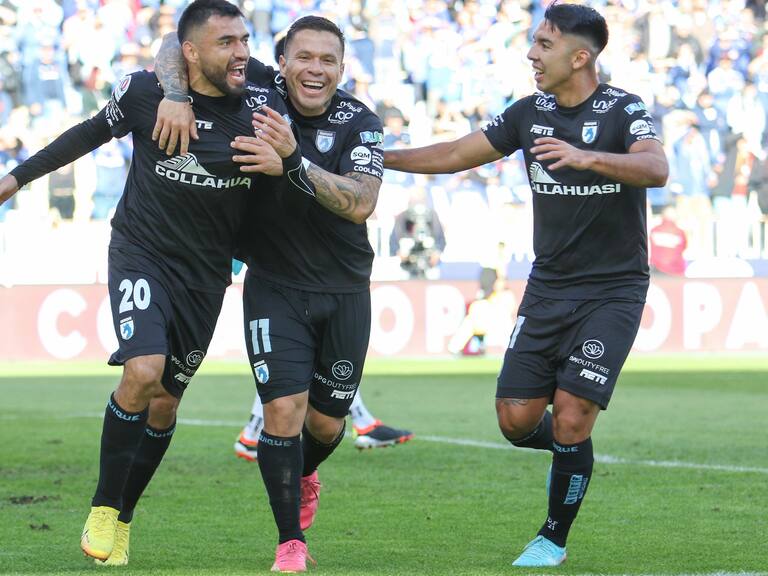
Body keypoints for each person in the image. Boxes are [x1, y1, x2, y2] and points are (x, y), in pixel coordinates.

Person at [0, 0, 301, 567]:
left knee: (165, 404)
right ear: (191, 53)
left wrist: (284, 163)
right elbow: (85, 135)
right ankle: (102, 505)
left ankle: (124, 515)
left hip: (207, 275)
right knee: (143, 370)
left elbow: (290, 161)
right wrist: (16, 179)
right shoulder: (146, 92)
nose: (241, 52)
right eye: (226, 43)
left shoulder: (263, 98)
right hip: (141, 253)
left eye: (244, 39)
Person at [384, 3, 668, 567]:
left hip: (613, 290)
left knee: (572, 411)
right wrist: (376, 158)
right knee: (515, 420)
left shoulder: (623, 109)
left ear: (579, 57)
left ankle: (552, 538)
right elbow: (455, 153)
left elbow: (656, 168)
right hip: (548, 287)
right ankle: (572, 447)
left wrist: (587, 158)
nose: (532, 54)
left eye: (544, 44)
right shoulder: (528, 113)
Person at [153, 16, 410, 573]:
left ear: (342, 69)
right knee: (282, 410)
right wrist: (174, 94)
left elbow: (361, 202)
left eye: (328, 60)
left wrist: (292, 162)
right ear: (282, 62)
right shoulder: (257, 87)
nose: (316, 70)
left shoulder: (360, 122)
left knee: (326, 424)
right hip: (273, 284)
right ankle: (290, 541)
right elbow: (175, 45)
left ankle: (306, 471)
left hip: (343, 287)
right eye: (305, 57)